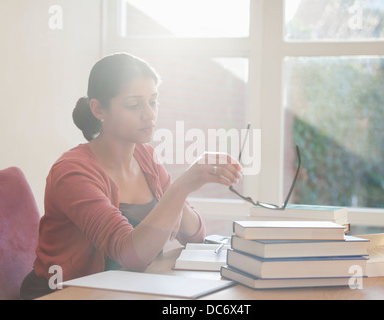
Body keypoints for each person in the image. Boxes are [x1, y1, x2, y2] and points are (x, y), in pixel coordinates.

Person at [20, 53, 243, 299]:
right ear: (98, 109)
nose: (149, 115)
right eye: (134, 105)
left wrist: (183, 191)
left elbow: (194, 236)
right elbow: (131, 254)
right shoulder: (72, 173)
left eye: (153, 102)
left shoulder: (145, 156)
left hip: (123, 289)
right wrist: (181, 187)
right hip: (64, 293)